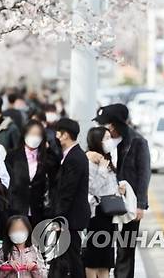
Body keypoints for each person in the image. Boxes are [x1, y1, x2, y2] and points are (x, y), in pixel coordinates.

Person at [93, 104, 150, 278]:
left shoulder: (137, 142)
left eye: (106, 124)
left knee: (126, 248)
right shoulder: (101, 142)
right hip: (105, 203)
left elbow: (144, 173)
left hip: (129, 204)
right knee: (103, 245)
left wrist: (140, 204)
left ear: (114, 124)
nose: (103, 128)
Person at [83, 127, 123, 278]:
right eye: (105, 138)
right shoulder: (91, 160)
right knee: (93, 257)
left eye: (109, 137)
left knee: (106, 258)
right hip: (96, 213)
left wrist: (119, 189)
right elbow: (91, 188)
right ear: (96, 141)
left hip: (108, 214)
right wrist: (101, 170)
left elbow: (109, 184)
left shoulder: (106, 159)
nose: (109, 141)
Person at [5, 120, 60, 229]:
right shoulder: (13, 156)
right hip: (16, 210)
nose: (34, 137)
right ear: (24, 134)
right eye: (31, 134)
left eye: (38, 135)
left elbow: (55, 177)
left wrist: (49, 149)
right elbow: (7, 181)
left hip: (40, 211)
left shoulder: (47, 157)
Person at [53, 118, 90, 278]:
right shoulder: (72, 155)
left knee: (72, 258)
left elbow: (67, 192)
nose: (56, 136)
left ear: (65, 135)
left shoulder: (74, 158)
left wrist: (60, 219)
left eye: (58, 133)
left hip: (71, 218)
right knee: (69, 256)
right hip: (71, 217)